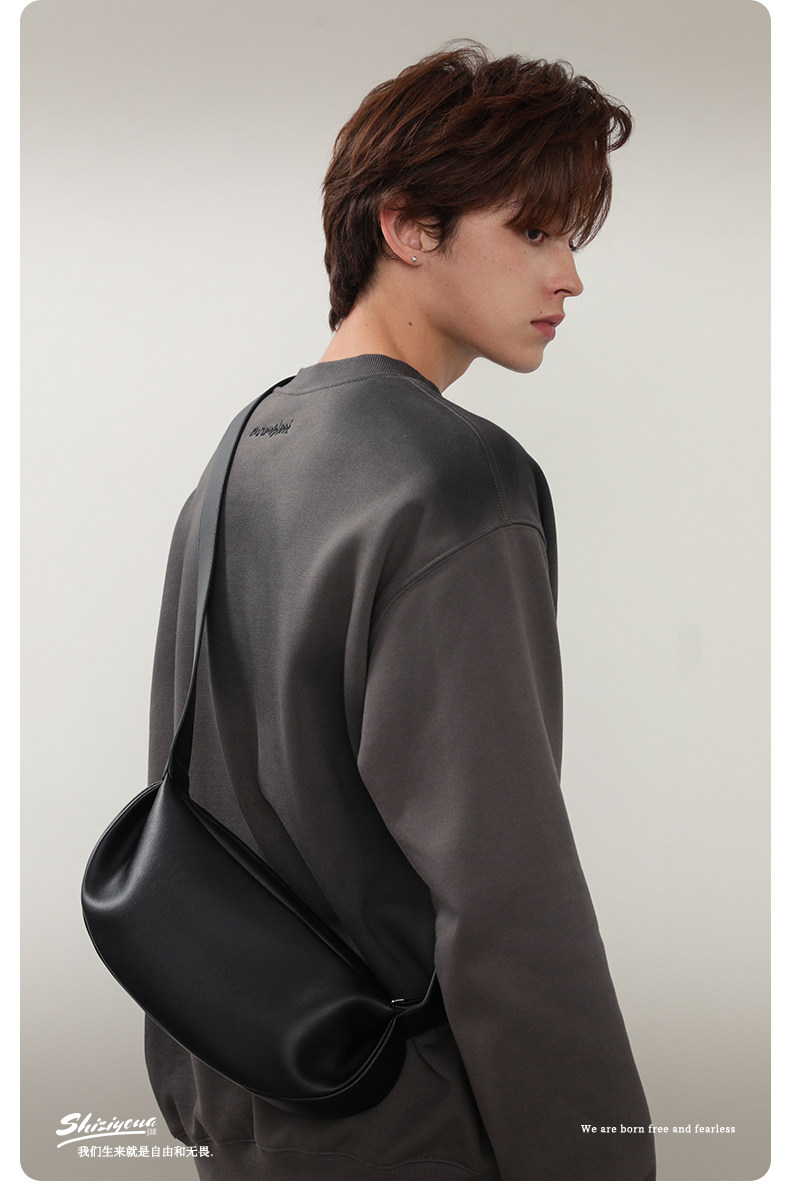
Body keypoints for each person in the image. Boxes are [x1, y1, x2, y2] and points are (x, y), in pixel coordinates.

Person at [144, 41, 656, 1181]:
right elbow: (505, 888)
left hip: (247, 1106)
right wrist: (599, 1160)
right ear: (408, 227)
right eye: (535, 231)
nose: (570, 276)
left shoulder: (233, 466)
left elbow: (183, 807)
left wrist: (198, 1099)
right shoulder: (453, 480)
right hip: (412, 1124)